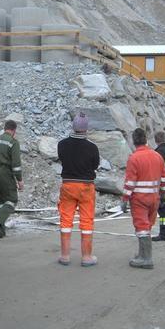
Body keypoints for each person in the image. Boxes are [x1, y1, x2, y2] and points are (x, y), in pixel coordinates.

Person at [121, 128, 165, 269]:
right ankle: (142, 254)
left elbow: (130, 182)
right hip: (154, 198)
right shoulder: (157, 156)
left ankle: (146, 258)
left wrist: (124, 199)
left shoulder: (134, 158)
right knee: (147, 226)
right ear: (146, 139)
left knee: (142, 227)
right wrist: (163, 194)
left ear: (134, 141)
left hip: (139, 199)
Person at [57, 112, 100, 266]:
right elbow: (95, 165)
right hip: (86, 187)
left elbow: (61, 159)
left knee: (66, 220)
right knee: (87, 221)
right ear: (86, 129)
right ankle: (86, 257)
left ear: (73, 127)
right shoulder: (92, 147)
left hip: (68, 185)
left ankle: (65, 256)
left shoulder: (62, 144)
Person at [0, 120, 23, 238]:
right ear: (13, 131)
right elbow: (16, 164)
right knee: (12, 199)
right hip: (4, 172)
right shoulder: (13, 142)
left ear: (5, 128)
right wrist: (19, 180)